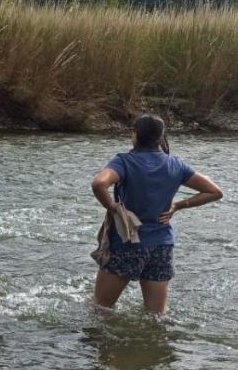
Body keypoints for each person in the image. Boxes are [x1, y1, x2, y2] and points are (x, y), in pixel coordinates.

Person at [89, 114, 223, 313]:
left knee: (101, 309)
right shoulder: (176, 164)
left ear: (135, 134)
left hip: (128, 243)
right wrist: (178, 205)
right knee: (156, 315)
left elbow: (99, 183)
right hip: (162, 245)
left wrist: (112, 207)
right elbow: (215, 192)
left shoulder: (125, 161)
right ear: (161, 138)